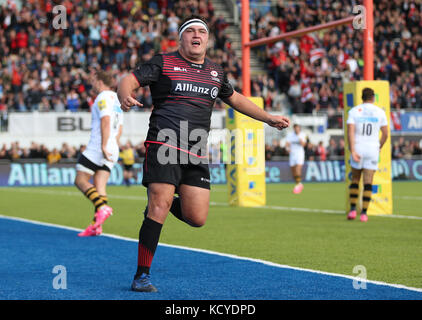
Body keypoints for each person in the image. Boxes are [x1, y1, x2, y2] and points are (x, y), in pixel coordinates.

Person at [117, 15, 290, 292]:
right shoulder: (164, 62)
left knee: (196, 218)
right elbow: (129, 79)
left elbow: (236, 99)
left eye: (202, 32)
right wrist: (124, 94)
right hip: (165, 144)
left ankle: (155, 207)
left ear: (207, 39)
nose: (196, 35)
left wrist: (268, 118)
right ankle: (142, 276)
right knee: (160, 207)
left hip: (196, 150)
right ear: (181, 38)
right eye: (191, 31)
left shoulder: (215, 72)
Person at [74, 70, 123, 236]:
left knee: (80, 180)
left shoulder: (102, 97)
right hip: (113, 146)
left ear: (101, 81)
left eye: (94, 80)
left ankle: (102, 207)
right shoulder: (117, 99)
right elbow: (120, 126)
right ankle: (97, 225)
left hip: (99, 145)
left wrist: (103, 145)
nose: (92, 83)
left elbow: (105, 120)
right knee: (100, 185)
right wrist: (113, 145)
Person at [346, 88, 388, 222]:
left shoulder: (354, 111)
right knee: (368, 182)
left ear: (362, 97)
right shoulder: (380, 112)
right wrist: (379, 146)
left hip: (358, 147)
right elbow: (386, 134)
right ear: (373, 97)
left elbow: (350, 132)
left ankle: (353, 210)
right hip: (372, 149)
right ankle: (364, 213)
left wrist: (352, 150)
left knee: (355, 180)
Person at [285, 124, 306, 194]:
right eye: (295, 128)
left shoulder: (302, 135)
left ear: (299, 129)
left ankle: (298, 185)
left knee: (298, 169)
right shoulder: (290, 135)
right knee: (293, 172)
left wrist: (299, 138)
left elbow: (303, 145)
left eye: (298, 128)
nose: (297, 129)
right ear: (294, 129)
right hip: (292, 154)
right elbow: (287, 144)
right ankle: (299, 184)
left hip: (300, 154)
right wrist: (287, 149)